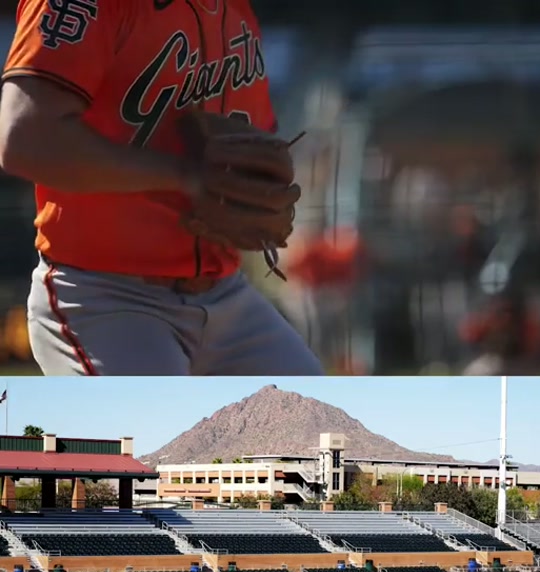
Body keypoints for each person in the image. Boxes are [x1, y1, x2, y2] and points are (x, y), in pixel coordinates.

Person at [0, 0, 323, 380]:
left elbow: (250, 151)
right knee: (151, 432)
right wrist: (185, 175)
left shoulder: (236, 12)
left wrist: (257, 191)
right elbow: (23, 138)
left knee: (318, 425)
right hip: (106, 298)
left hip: (226, 293)